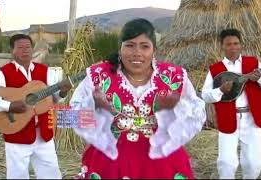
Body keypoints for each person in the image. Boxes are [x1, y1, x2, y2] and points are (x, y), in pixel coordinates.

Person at [70, 18, 206, 179]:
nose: (137, 53)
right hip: (109, 164)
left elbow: (199, 115)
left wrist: (177, 107)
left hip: (162, 164)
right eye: (129, 45)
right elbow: (71, 118)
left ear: (154, 50)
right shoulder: (98, 76)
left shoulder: (173, 77)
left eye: (145, 46)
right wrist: (94, 105)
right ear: (120, 49)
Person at [0, 34, 72, 179]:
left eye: (27, 47)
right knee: (17, 176)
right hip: (17, 133)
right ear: (12, 51)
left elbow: (52, 99)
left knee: (52, 175)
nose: (25, 50)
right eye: (20, 47)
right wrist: (9, 106)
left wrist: (63, 92)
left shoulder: (45, 71)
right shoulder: (3, 73)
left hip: (44, 134)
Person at [201, 29, 261, 179]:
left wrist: (259, 79)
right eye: (228, 44)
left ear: (241, 45)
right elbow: (205, 95)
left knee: (254, 164)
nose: (233, 47)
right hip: (228, 117)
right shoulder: (215, 69)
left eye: (236, 43)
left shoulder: (253, 63)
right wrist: (220, 90)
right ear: (221, 46)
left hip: (251, 118)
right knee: (226, 163)